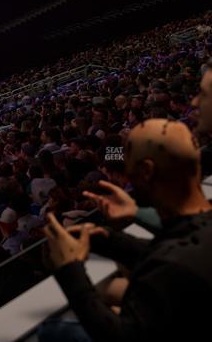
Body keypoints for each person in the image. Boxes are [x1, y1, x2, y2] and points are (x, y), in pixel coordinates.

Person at [42, 119, 212, 342]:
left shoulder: (167, 266)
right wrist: (110, 239)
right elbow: (177, 249)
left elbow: (119, 335)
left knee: (51, 330)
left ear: (146, 170)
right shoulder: (194, 231)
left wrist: (69, 270)